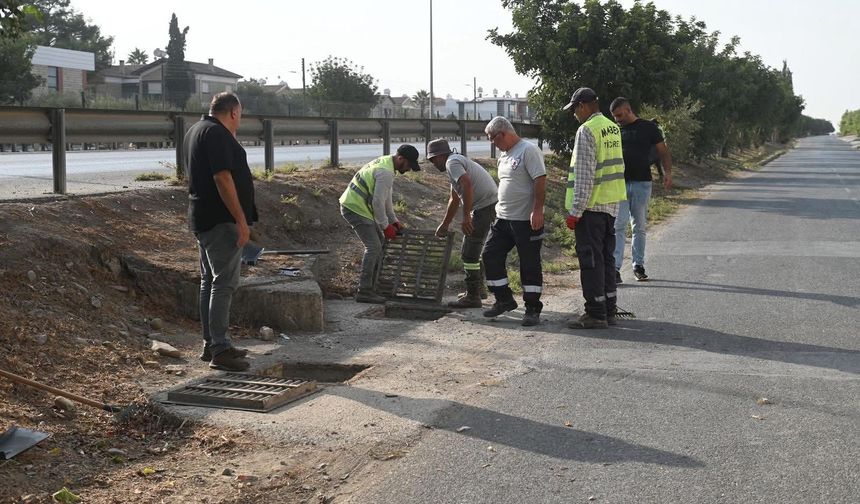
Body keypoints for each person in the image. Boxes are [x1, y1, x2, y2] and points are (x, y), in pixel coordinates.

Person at [185, 91, 257, 371]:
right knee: (224, 283)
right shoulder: (216, 134)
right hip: (220, 221)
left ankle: (212, 343)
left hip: (202, 218)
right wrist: (241, 220)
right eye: (241, 115)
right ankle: (220, 349)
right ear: (234, 112)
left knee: (209, 282)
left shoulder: (196, 130)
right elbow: (222, 177)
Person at [563, 87, 627, 329]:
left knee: (591, 262)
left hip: (591, 207)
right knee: (606, 260)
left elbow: (584, 176)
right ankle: (608, 309)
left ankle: (595, 313)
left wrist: (575, 212)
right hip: (611, 205)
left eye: (574, 110)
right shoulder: (612, 127)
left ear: (582, 106)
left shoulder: (587, 130)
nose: (574, 116)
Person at [481, 116, 547, 327]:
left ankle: (532, 308)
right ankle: (504, 299)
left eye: (492, 138)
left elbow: (540, 180)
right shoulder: (504, 155)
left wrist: (537, 210)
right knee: (490, 255)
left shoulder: (528, 150)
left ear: (503, 133)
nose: (492, 142)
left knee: (529, 263)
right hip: (503, 219)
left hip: (525, 220)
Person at [339, 144, 420, 303]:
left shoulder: (387, 164)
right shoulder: (385, 172)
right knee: (374, 247)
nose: (409, 169)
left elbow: (386, 199)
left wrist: (394, 221)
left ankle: (374, 286)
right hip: (354, 208)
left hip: (359, 207)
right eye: (409, 165)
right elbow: (377, 203)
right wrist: (385, 226)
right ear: (400, 158)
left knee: (380, 244)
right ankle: (365, 291)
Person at [609, 97, 673, 282]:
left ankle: (638, 265)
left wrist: (667, 173)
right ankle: (615, 269)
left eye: (620, 115)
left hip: (642, 183)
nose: (617, 119)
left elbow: (663, 151)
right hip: (618, 184)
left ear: (629, 110)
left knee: (639, 226)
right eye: (614, 117)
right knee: (618, 226)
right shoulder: (614, 130)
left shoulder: (649, 128)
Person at [429, 138, 499, 308]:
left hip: (484, 207)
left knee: (468, 252)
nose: (432, 163)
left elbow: (467, 184)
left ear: (439, 156)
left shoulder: (452, 163)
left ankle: (473, 296)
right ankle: (478, 291)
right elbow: (454, 199)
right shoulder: (456, 161)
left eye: (432, 160)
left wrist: (466, 216)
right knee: (474, 250)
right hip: (489, 204)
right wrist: (445, 224)